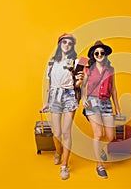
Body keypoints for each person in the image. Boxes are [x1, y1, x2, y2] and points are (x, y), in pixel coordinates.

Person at [40, 33, 83, 180]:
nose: (67, 45)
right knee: (56, 133)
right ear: (59, 44)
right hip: (54, 96)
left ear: (72, 47)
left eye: (70, 43)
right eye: (64, 42)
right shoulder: (52, 62)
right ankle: (58, 151)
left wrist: (79, 81)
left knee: (66, 132)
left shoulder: (76, 62)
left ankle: (64, 166)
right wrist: (46, 102)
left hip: (69, 95)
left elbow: (78, 85)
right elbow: (50, 85)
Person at [81, 40, 121, 178]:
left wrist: (118, 108)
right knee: (98, 135)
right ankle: (99, 165)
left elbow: (114, 90)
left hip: (107, 103)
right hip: (92, 102)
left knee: (110, 136)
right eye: (96, 52)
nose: (99, 54)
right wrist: (83, 99)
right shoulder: (87, 69)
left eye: (101, 52)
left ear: (105, 54)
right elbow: (83, 86)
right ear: (93, 54)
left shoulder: (111, 70)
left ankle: (101, 150)